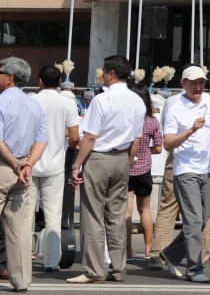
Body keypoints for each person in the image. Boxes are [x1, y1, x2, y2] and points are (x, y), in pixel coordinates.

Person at [69, 54, 144, 285]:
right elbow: (137, 140)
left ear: (112, 73)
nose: (101, 75)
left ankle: (95, 270)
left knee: (92, 215)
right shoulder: (137, 100)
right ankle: (119, 268)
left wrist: (77, 164)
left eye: (103, 71)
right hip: (122, 158)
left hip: (99, 158)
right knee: (117, 216)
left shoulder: (102, 100)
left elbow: (90, 137)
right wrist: (127, 161)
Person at [160, 65, 210, 282]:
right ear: (183, 83)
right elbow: (168, 143)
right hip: (185, 169)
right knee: (194, 220)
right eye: (193, 83)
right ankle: (195, 269)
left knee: (203, 218)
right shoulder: (175, 107)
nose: (198, 87)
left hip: (208, 168)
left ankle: (171, 253)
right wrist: (190, 130)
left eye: (201, 83)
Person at [0, 58, 48, 292]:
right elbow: (42, 140)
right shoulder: (34, 105)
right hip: (24, 171)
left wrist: (15, 163)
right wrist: (27, 163)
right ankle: (21, 281)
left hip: (3, 166)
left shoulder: (1, 102)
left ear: (9, 77)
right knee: (18, 230)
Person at [31, 64, 79, 272]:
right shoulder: (67, 103)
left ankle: (23, 257)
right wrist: (65, 143)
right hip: (56, 164)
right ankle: (51, 261)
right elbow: (75, 138)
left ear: (39, 81)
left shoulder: (31, 101)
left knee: (25, 216)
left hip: (30, 163)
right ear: (60, 82)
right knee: (53, 215)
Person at [126, 83, 162, 261]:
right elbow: (159, 148)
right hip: (144, 169)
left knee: (126, 211)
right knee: (145, 210)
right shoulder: (152, 121)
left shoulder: (126, 118)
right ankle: (149, 248)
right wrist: (146, 151)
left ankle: (127, 249)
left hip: (125, 167)